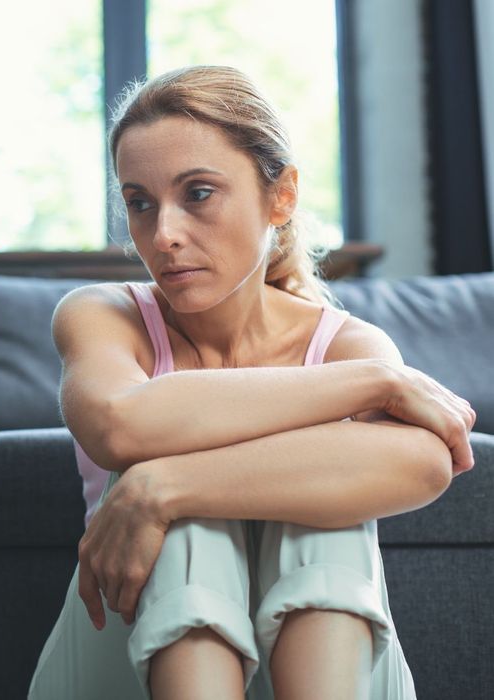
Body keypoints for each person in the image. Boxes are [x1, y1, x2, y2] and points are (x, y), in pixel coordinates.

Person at [28, 65, 475, 700]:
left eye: (199, 193)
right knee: (186, 508)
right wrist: (375, 383)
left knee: (316, 507)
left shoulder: (343, 345)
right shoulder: (104, 314)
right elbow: (119, 424)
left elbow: (428, 462)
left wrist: (166, 488)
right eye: (140, 203)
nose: (165, 235)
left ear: (281, 195)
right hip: (124, 668)